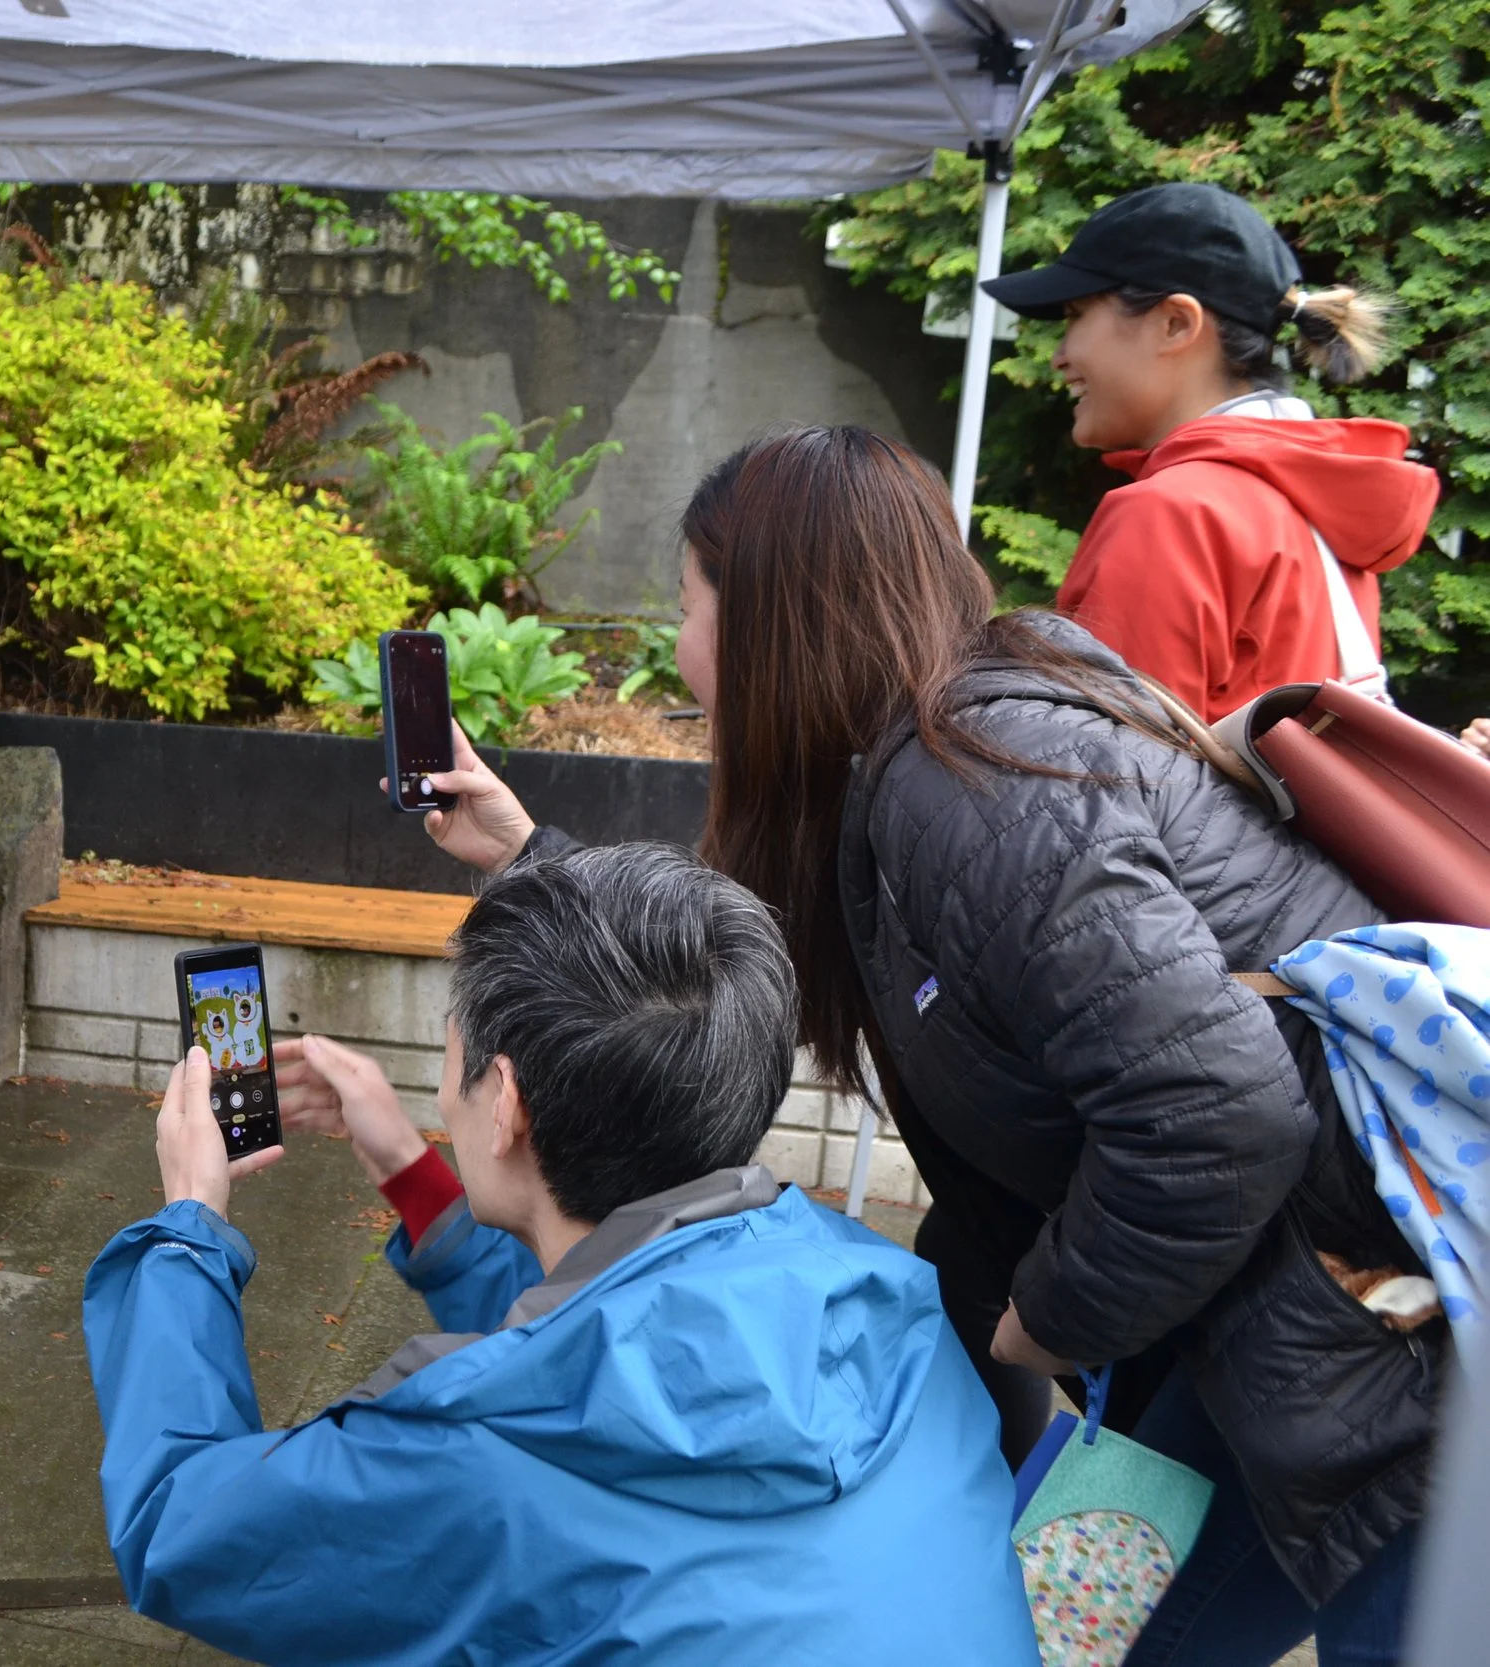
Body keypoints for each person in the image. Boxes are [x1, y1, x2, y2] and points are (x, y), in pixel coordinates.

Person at [420, 427, 1440, 1665]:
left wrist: (1045, 1318)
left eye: (685, 607)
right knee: (1062, 1636)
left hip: (1406, 1361)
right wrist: (530, 854)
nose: (679, 650)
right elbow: (719, 977)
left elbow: (1219, 1108)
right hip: (1263, 1332)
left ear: (768, 623)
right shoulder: (918, 763)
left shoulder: (977, 787)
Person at [82, 842, 1040, 1666]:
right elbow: (613, 1336)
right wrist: (412, 1171)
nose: (445, 1094)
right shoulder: (891, 1301)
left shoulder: (474, 1456)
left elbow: (179, 1524)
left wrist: (189, 1224)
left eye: (450, 1060)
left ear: (504, 1102)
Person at [979, 182, 1437, 721]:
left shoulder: (1172, 514)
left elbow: (1107, 766)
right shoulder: (1313, 502)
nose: (1059, 355)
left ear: (1176, 323)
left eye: (1075, 315)